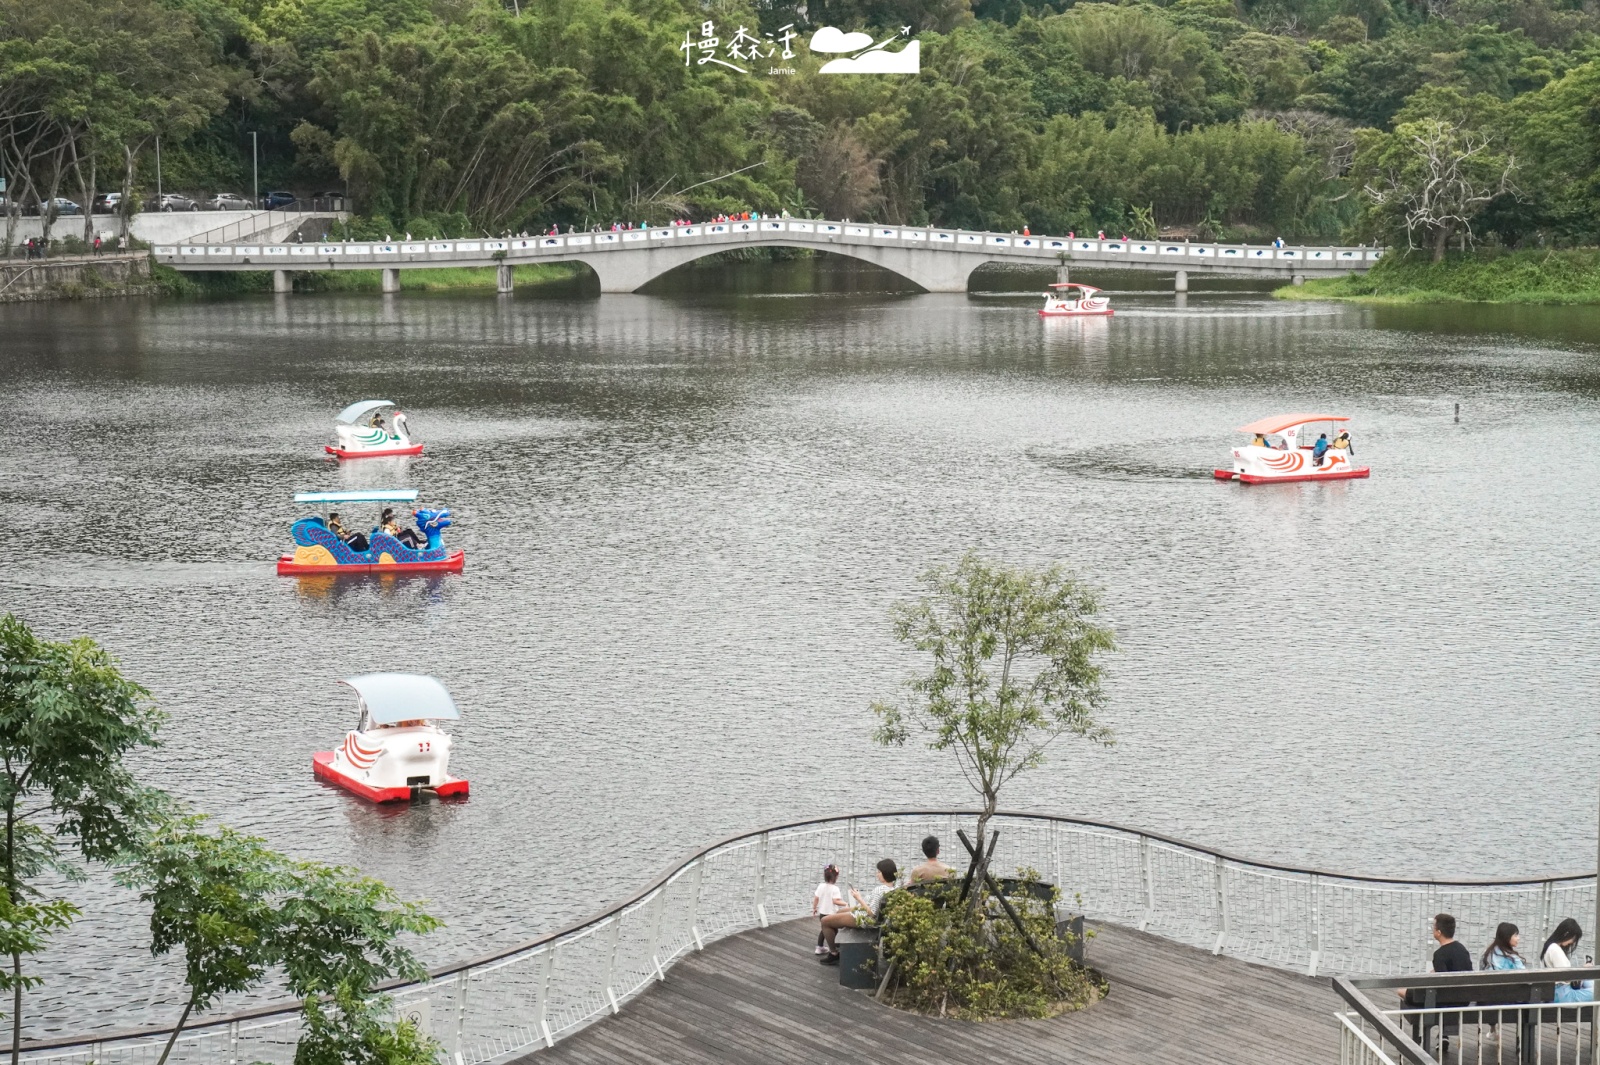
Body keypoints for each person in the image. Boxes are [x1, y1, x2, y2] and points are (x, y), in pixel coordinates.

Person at [818, 858, 898, 965]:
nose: (877, 874)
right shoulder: (894, 888)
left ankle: (834, 953)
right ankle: (838, 945)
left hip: (864, 919)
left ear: (885, 874)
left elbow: (872, 914)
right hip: (870, 916)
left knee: (824, 921)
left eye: (879, 872)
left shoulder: (880, 890)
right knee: (838, 913)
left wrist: (858, 898)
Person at [1542, 918, 1594, 1003]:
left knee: (1591, 983)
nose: (1573, 943)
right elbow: (1566, 977)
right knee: (1596, 991)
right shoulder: (1555, 949)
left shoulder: (1552, 947)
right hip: (1563, 994)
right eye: (1573, 939)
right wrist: (1582, 970)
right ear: (1566, 934)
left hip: (1559, 991)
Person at [811, 864, 846, 955]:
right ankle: (835, 947)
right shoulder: (835, 889)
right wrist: (845, 903)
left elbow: (816, 898)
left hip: (822, 913)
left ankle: (819, 947)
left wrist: (814, 908)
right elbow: (835, 901)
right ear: (836, 877)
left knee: (824, 930)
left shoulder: (821, 886)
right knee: (834, 930)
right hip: (831, 913)